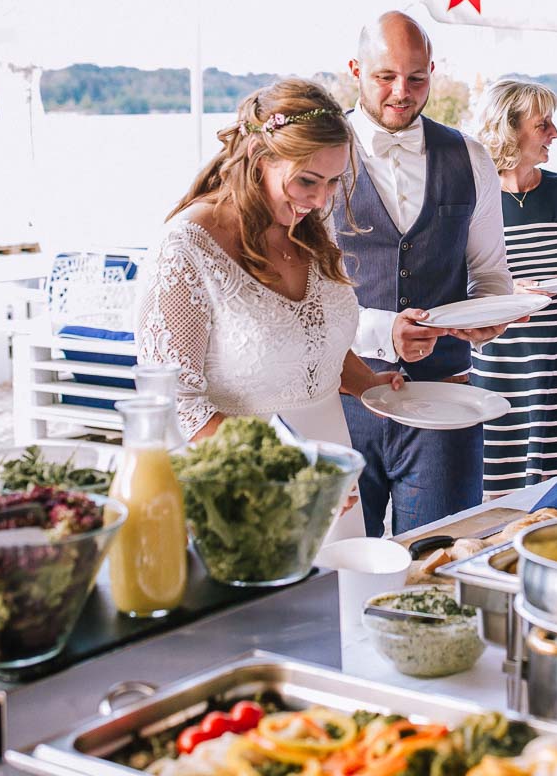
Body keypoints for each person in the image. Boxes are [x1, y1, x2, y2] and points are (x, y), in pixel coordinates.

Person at [136, 79, 404, 535]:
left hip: (331, 477)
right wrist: (292, 469)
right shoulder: (185, 248)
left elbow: (311, 336)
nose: (322, 200)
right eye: (307, 180)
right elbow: (174, 403)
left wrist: (366, 384)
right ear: (259, 160)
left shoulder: (307, 223)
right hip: (242, 488)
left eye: (334, 181)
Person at [335, 11, 516, 535]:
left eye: (416, 78)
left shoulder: (471, 157)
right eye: (385, 77)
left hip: (447, 402)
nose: (401, 92)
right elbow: (300, 298)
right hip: (338, 405)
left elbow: (490, 274)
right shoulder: (323, 157)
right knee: (340, 572)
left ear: (432, 72)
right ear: (355, 70)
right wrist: (381, 331)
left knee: (440, 563)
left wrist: (489, 317)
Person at [470, 79, 557, 494]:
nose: (554, 133)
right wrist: (511, 294)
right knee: (496, 488)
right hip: (499, 363)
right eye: (543, 124)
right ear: (510, 128)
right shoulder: (473, 195)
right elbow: (460, 284)